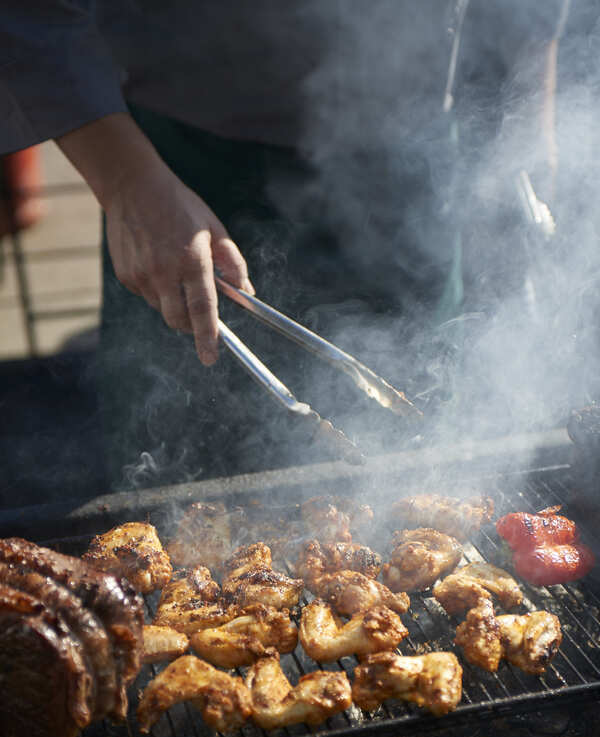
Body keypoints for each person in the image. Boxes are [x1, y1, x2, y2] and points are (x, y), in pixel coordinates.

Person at [1, 2, 567, 489]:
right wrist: (126, 181)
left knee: (425, 462)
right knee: (176, 491)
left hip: (417, 164)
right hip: (184, 170)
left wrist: (528, 110)